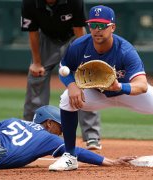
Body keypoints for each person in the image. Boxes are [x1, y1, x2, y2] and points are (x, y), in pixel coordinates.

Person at [49, 5, 153, 171]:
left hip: (128, 92)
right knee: (66, 99)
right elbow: (64, 68)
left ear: (112, 27)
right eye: (93, 25)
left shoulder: (125, 50)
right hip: (96, 92)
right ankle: (70, 156)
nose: (97, 30)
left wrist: (119, 86)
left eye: (102, 25)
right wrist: (71, 85)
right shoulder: (79, 45)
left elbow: (142, 85)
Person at [0, 105, 135, 170]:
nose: (61, 133)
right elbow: (77, 151)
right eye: (60, 128)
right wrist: (110, 161)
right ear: (49, 123)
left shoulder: (12, 120)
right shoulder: (50, 138)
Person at [20, 0, 102, 150]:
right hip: (45, 39)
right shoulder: (30, 2)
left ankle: (92, 137)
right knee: (36, 78)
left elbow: (79, 31)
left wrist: (83, 61)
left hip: (73, 40)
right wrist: (37, 62)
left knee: (84, 81)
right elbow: (33, 32)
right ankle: (30, 132)